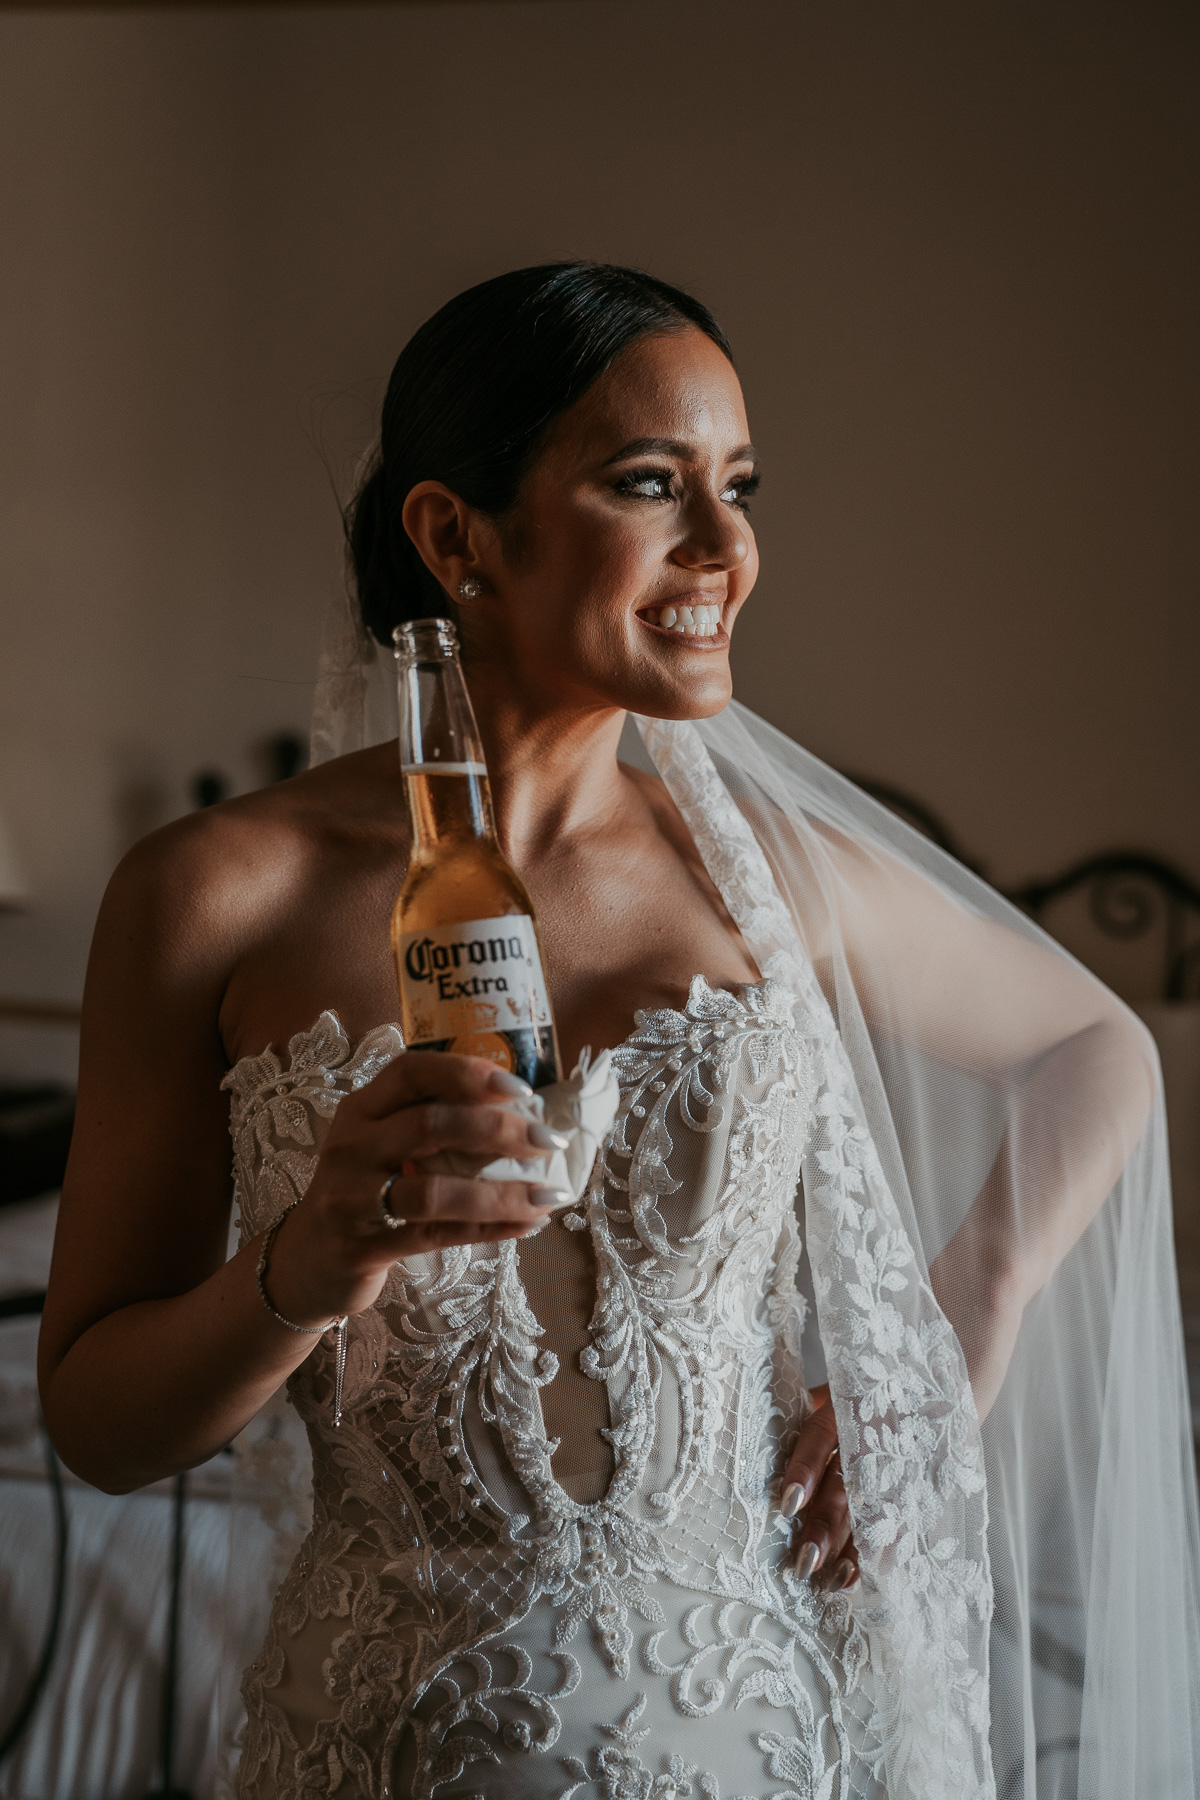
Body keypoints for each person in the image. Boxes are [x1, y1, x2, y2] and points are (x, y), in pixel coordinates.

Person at [38, 264, 1200, 1800]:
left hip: (756, 1727)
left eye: (739, 487)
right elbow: (102, 1430)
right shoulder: (212, 897)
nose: (726, 549)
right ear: (457, 536)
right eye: (653, 485)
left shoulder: (776, 877)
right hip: (379, 1743)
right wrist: (306, 1263)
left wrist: (948, 1331)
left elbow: (1096, 1050)